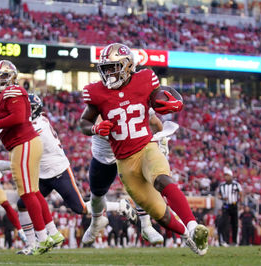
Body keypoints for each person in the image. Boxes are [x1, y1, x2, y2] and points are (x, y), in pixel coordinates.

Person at [79, 43, 208, 255]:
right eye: (106, 69)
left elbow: (160, 99)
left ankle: (193, 226)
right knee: (160, 214)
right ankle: (187, 236)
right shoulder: (97, 93)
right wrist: (94, 128)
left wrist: (172, 103)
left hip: (145, 147)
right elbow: (83, 122)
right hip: (124, 162)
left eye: (113, 67)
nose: (109, 73)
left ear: (128, 65)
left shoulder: (145, 79)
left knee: (162, 179)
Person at [0, 94, 137, 254]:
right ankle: (32, 244)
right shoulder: (37, 122)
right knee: (22, 204)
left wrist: (6, 165)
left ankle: (120, 206)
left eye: (28, 108)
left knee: (80, 208)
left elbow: (26, 156)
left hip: (58, 171)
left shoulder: (38, 126)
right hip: (41, 173)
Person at [0, 59, 61, 255]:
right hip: (23, 143)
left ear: (12, 77)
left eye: (4, 76)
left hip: (24, 143)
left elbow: (19, 117)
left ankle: (42, 238)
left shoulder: (12, 91)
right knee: (33, 191)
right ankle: (51, 233)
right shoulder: (5, 94)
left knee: (27, 193)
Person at [81, 108, 173, 246]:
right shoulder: (100, 101)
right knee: (96, 196)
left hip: (129, 151)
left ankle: (147, 226)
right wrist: (123, 131)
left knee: (138, 186)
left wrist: (162, 140)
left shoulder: (136, 98)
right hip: (105, 157)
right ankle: (96, 223)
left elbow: (155, 122)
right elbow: (98, 126)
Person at [218, 167, 243, 246]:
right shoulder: (222, 185)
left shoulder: (236, 184)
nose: (226, 177)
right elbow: (219, 195)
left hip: (234, 205)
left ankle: (235, 241)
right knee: (225, 223)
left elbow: (241, 194)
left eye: (227, 175)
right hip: (226, 206)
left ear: (231, 176)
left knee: (234, 223)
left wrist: (241, 204)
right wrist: (222, 198)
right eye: (225, 175)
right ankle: (226, 241)